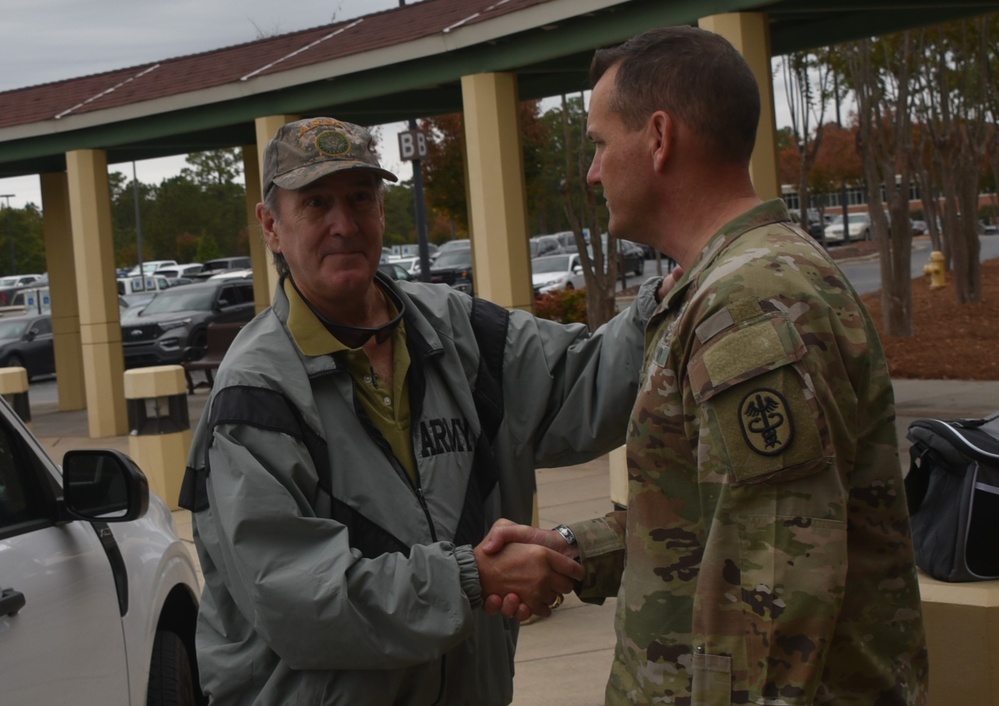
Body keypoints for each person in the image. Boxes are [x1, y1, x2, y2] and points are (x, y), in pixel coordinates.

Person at [482, 26, 928, 705]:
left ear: (658, 138)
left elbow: (776, 589)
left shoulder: (749, 303)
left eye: (600, 144)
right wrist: (572, 550)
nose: (591, 172)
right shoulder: (719, 288)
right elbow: (715, 517)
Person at [179, 116, 669, 705]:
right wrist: (471, 577)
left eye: (361, 197)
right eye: (315, 203)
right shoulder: (253, 397)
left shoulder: (458, 331)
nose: (344, 223)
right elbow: (300, 599)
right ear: (271, 226)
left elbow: (586, 382)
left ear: (383, 210)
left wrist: (668, 300)